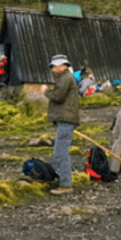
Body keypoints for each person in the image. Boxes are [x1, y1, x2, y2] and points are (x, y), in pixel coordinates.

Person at [42, 54, 79, 194]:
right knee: (60, 152)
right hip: (65, 119)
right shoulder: (66, 78)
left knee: (60, 153)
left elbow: (57, 97)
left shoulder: (65, 78)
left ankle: (65, 185)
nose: (55, 69)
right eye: (54, 66)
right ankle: (63, 181)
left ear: (64, 66)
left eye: (58, 66)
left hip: (66, 120)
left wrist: (45, 91)